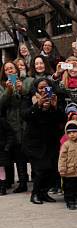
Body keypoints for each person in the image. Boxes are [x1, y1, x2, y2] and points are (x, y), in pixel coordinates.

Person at [21, 77, 65, 205]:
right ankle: (35, 193)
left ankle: (44, 193)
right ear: (36, 88)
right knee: (40, 169)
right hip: (34, 142)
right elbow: (25, 115)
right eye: (40, 88)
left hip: (51, 140)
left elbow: (62, 118)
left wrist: (54, 107)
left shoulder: (55, 98)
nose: (44, 90)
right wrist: (38, 105)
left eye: (46, 87)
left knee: (52, 169)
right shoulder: (28, 98)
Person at [0, 61, 32, 192]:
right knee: (8, 152)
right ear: (4, 72)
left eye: (12, 68)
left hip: (23, 123)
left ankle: (23, 182)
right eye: (7, 69)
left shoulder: (24, 82)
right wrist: (8, 90)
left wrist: (21, 89)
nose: (10, 71)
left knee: (20, 154)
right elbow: (1, 104)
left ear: (16, 70)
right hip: (8, 123)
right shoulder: (2, 86)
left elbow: (28, 98)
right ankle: (7, 182)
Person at [0, 115, 15, 195]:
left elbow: (10, 134)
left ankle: (3, 188)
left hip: (2, 149)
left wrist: (7, 147)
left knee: (1, 169)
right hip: (3, 148)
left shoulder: (2, 121)